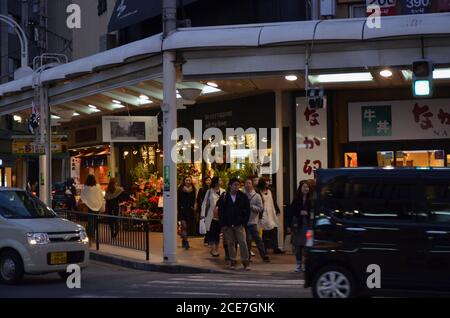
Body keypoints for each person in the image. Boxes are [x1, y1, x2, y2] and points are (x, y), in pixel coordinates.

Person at [217, 177, 251, 270]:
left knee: (243, 242)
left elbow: (247, 210)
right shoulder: (224, 196)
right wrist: (223, 224)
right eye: (235, 185)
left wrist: (244, 222)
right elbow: (220, 211)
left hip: (239, 224)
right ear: (230, 186)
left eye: (238, 185)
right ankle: (233, 260)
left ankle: (245, 261)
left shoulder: (242, 196)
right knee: (231, 243)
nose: (237, 187)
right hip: (227, 224)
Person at [287, 180, 314, 273]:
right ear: (300, 188)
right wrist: (289, 225)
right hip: (298, 226)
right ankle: (298, 266)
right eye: (304, 187)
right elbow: (290, 212)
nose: (306, 188)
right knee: (298, 246)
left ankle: (307, 265)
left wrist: (308, 213)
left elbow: (314, 212)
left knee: (308, 247)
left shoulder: (311, 199)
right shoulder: (296, 199)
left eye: (307, 187)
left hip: (309, 226)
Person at [244, 178, 270, 263]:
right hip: (244, 221)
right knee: (248, 239)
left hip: (253, 221)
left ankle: (264, 255)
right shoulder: (243, 195)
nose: (248, 185)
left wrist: (251, 207)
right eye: (246, 183)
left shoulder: (257, 196)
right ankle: (247, 257)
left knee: (258, 239)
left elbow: (261, 208)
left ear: (252, 185)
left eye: (249, 183)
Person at [257, 177, 284, 254]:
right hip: (264, 212)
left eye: (268, 181)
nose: (268, 183)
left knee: (274, 228)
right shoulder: (258, 191)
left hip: (271, 211)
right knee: (265, 230)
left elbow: (274, 200)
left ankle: (275, 247)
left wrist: (277, 209)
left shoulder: (270, 190)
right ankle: (264, 248)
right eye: (267, 181)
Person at [200, 177, 225, 257]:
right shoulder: (209, 192)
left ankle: (216, 250)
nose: (221, 181)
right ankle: (213, 250)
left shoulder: (223, 191)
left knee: (218, 233)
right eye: (219, 180)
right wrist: (203, 215)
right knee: (212, 233)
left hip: (220, 216)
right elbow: (204, 203)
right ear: (216, 182)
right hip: (211, 216)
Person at [177, 176, 196, 250]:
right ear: (184, 181)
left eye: (189, 180)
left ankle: (184, 240)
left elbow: (194, 200)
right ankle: (186, 241)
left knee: (187, 227)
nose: (188, 182)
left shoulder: (193, 189)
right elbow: (178, 199)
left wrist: (193, 207)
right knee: (184, 226)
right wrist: (179, 208)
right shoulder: (180, 189)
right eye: (186, 180)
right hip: (182, 210)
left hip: (190, 210)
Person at [197, 177, 212, 244]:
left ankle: (208, 238)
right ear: (205, 181)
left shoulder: (213, 189)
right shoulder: (201, 190)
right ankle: (207, 237)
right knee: (205, 222)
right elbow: (198, 200)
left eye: (209, 180)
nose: (208, 181)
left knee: (210, 223)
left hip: (211, 208)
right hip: (204, 208)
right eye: (207, 180)